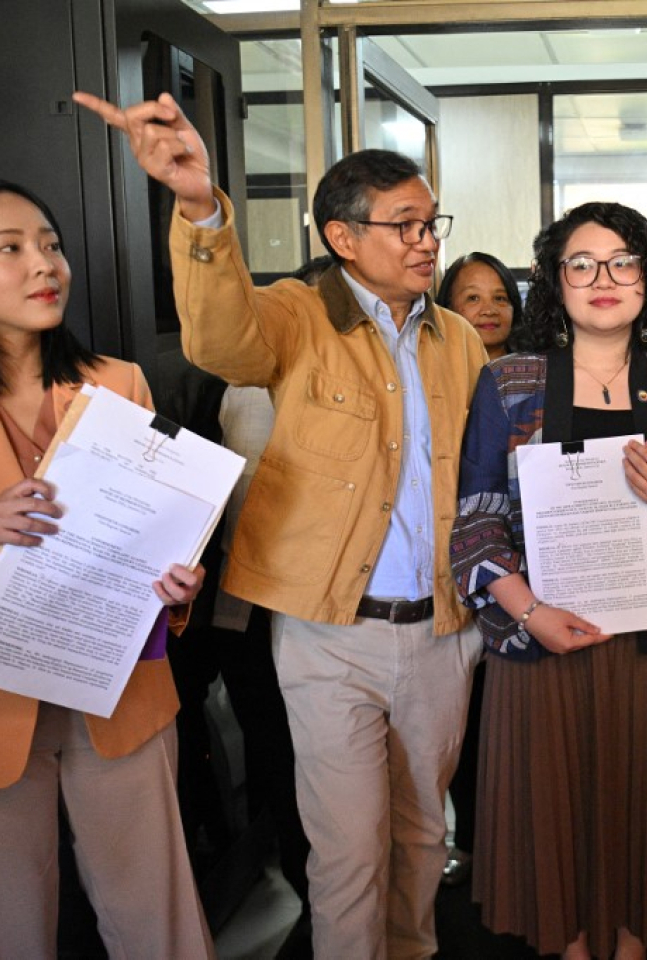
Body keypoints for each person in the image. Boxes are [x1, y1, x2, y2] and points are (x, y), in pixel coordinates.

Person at [73, 90, 488, 959]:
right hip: (329, 631)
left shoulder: (458, 338)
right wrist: (198, 205)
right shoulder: (299, 317)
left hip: (447, 630)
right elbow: (222, 339)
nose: (427, 241)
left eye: (430, 222)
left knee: (421, 839)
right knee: (347, 852)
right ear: (343, 237)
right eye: (405, 225)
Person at [451, 201, 647, 959]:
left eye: (622, 262)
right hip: (547, 642)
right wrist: (529, 609)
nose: (602, 279)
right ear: (554, 281)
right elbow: (475, 518)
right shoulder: (510, 382)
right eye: (581, 263)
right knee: (558, 828)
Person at [0, 178, 210, 956]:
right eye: (11, 248)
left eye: (51, 244)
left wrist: (177, 586)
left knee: (154, 915)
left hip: (120, 682)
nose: (45, 264)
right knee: (3, 927)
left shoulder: (118, 382)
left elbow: (155, 534)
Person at [433, 250, 522, 888]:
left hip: (528, 574)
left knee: (509, 724)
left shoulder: (535, 377)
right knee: (462, 725)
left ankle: (513, 840)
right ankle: (469, 845)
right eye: (472, 297)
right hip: (454, 576)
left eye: (500, 296)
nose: (490, 309)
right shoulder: (438, 379)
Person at [436, 251, 523, 362]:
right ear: (448, 307)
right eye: (473, 298)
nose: (489, 311)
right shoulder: (430, 372)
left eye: (499, 298)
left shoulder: (536, 372)